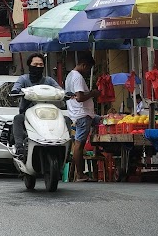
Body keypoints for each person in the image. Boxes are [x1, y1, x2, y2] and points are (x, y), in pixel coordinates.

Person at [12, 52, 61, 158]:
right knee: (18, 119)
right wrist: (16, 91)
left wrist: (65, 93)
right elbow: (16, 88)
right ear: (29, 65)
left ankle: (65, 149)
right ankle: (19, 147)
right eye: (35, 65)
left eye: (41, 65)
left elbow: (59, 90)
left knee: (65, 119)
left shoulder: (49, 80)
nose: (38, 67)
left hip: (48, 116)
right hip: (28, 115)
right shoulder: (23, 79)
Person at [65, 52, 100, 182]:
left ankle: (78, 173)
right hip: (82, 115)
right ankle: (80, 174)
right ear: (84, 65)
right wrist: (92, 93)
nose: (88, 72)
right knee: (79, 145)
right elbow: (79, 97)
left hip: (78, 114)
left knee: (78, 144)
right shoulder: (77, 77)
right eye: (89, 68)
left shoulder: (70, 76)